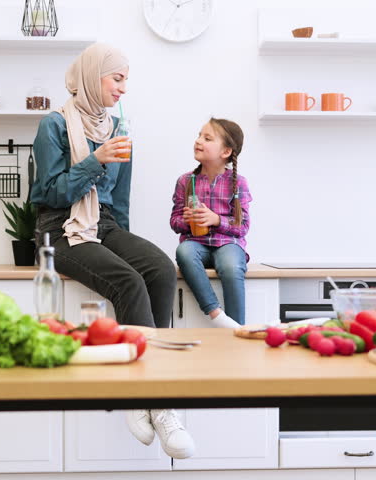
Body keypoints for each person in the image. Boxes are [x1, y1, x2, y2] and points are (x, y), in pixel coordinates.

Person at [30, 43, 194, 459]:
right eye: (116, 78)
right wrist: (95, 160)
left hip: (103, 226)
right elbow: (47, 194)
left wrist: (122, 242)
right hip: (60, 229)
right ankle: (146, 396)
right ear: (92, 76)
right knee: (127, 282)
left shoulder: (118, 129)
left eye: (126, 80)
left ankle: (155, 394)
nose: (123, 88)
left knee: (157, 267)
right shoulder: (53, 125)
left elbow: (119, 200)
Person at [170, 118, 252, 327]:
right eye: (199, 135)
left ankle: (237, 328)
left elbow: (242, 227)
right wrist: (186, 221)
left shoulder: (238, 183)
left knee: (231, 266)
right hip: (196, 243)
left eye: (207, 138)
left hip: (227, 244)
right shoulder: (186, 181)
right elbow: (175, 221)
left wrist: (216, 220)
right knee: (184, 252)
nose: (198, 141)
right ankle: (217, 314)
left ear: (225, 152)